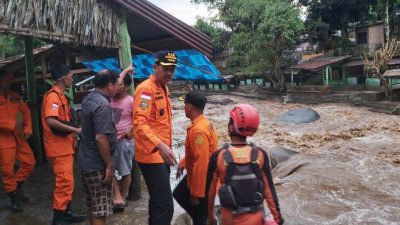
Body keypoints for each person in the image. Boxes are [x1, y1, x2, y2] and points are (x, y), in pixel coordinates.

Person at [206, 104, 284, 225]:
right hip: (256, 218)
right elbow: (269, 191)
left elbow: (210, 192)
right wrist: (278, 218)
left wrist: (210, 217)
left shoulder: (218, 156)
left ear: (231, 127)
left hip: (230, 219)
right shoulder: (260, 154)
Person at [133, 50, 178, 225]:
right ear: (155, 66)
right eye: (165, 68)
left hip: (162, 154)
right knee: (166, 205)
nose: (169, 73)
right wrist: (161, 145)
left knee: (157, 201)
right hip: (151, 155)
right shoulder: (146, 89)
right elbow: (140, 123)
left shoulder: (164, 89)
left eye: (172, 69)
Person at [41, 64, 87, 225]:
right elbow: (51, 121)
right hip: (58, 149)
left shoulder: (60, 96)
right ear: (63, 78)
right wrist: (76, 130)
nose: (72, 79)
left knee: (68, 183)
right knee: (64, 183)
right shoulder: (53, 97)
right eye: (70, 76)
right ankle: (59, 219)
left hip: (65, 147)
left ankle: (66, 214)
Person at [77, 69, 120, 225]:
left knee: (92, 205)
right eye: (117, 85)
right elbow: (101, 138)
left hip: (85, 159)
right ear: (109, 85)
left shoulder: (89, 97)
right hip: (96, 163)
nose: (118, 88)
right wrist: (109, 165)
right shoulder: (102, 105)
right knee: (100, 210)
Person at [173, 91, 219, 225]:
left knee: (198, 211)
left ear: (189, 107)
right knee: (179, 194)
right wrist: (184, 162)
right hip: (202, 175)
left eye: (184, 105)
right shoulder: (204, 123)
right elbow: (197, 153)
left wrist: (196, 192)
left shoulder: (198, 131)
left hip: (204, 178)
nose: (184, 108)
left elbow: (201, 162)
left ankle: (204, 219)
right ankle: (204, 218)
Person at [0, 69, 36, 212]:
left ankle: (16, 187)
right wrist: (9, 125)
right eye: (6, 78)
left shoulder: (14, 96)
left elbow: (26, 111)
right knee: (7, 170)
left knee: (29, 162)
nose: (9, 80)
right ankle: (14, 198)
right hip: (3, 139)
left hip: (18, 137)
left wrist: (28, 127)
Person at [110, 66, 135, 210]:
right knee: (108, 169)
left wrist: (131, 130)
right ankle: (117, 195)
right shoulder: (109, 99)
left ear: (126, 87)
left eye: (119, 84)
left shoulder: (131, 101)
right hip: (109, 142)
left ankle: (122, 197)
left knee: (125, 171)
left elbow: (139, 120)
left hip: (124, 142)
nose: (116, 86)